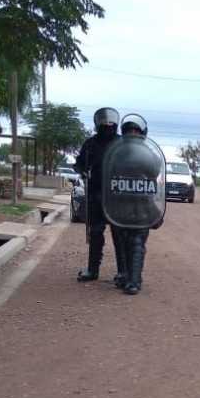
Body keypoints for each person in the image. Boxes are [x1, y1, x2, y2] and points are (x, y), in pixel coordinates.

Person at [109, 117, 161, 295]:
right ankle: (124, 275)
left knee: (137, 241)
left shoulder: (148, 154)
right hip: (120, 203)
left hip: (141, 204)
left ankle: (134, 280)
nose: (133, 134)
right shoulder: (116, 153)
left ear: (142, 134)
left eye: (136, 131)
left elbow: (155, 172)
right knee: (121, 240)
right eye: (129, 131)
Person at [74, 107, 122, 284]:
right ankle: (92, 270)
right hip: (96, 193)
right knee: (95, 233)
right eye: (104, 122)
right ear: (98, 124)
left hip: (117, 195)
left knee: (119, 234)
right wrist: (82, 171)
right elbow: (79, 163)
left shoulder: (122, 143)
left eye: (110, 123)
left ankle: (123, 272)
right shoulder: (90, 143)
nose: (107, 125)